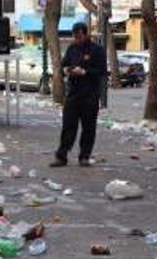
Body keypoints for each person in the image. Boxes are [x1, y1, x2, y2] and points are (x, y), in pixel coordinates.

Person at [50, 22, 107, 168]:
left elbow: (102, 72)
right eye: (75, 37)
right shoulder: (72, 48)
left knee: (88, 127)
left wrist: (85, 72)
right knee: (68, 125)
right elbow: (63, 65)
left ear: (86, 34)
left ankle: (84, 156)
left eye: (79, 36)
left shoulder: (97, 50)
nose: (77, 39)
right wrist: (67, 70)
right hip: (73, 93)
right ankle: (61, 155)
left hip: (90, 94)